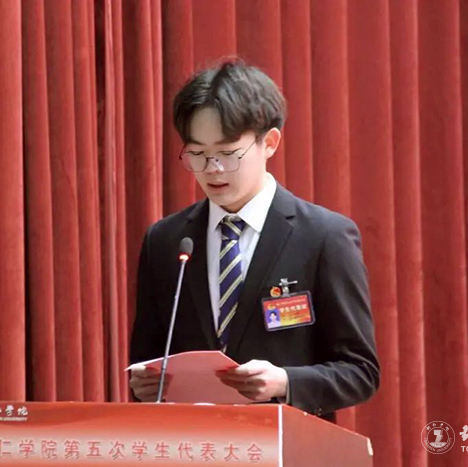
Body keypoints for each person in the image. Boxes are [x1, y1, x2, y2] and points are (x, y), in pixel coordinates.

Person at [129, 59, 380, 418]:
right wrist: (144, 385)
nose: (213, 169)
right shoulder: (166, 242)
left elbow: (361, 371)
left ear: (270, 142)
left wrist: (285, 382)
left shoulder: (324, 237)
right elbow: (148, 359)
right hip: (196, 441)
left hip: (287, 440)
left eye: (228, 154)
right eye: (198, 154)